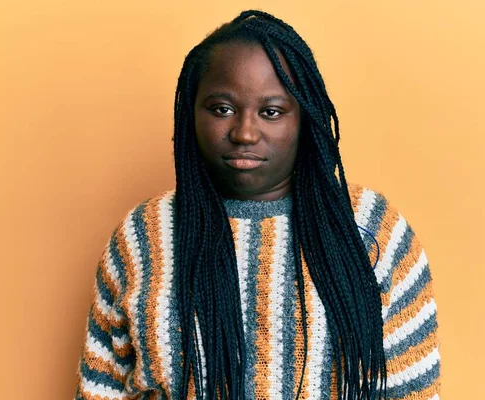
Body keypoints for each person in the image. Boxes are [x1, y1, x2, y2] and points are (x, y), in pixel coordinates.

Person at [74, 10, 441, 400]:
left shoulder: (370, 229)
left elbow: (413, 391)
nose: (245, 132)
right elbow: (102, 389)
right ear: (189, 113)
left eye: (271, 112)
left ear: (304, 119)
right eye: (222, 109)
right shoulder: (144, 235)